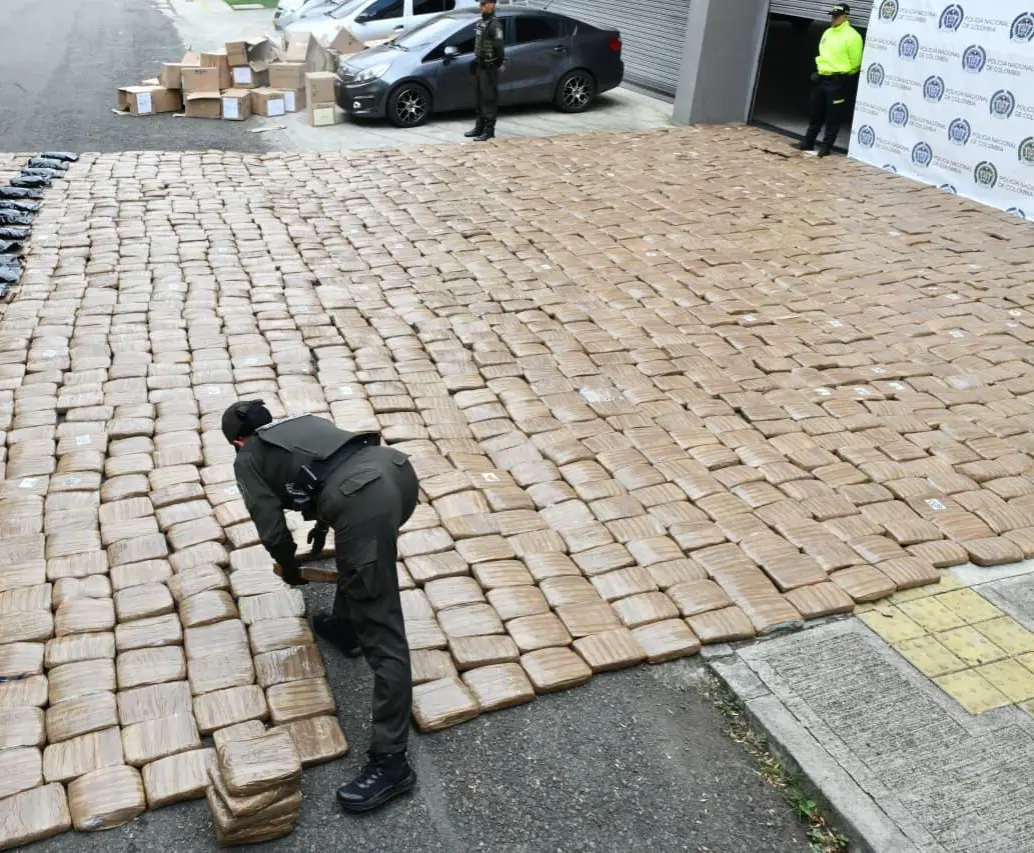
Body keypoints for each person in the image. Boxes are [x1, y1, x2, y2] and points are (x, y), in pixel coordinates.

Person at [222, 400, 420, 813]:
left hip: (364, 499)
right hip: (398, 473)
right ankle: (345, 627)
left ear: (238, 441)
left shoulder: (248, 458)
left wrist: (289, 567)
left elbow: (271, 526)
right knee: (361, 557)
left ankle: (391, 762)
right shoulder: (301, 424)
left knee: (384, 632)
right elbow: (331, 469)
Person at [798, 4, 863, 157]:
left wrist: (841, 76)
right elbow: (822, 53)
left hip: (837, 81)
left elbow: (856, 62)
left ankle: (826, 147)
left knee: (833, 116)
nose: (832, 18)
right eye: (832, 15)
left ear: (845, 16)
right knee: (816, 112)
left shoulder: (853, 36)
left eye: (836, 16)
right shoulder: (827, 32)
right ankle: (808, 141)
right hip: (822, 79)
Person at [464, 0, 505, 142]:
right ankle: (479, 127)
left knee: (489, 99)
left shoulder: (494, 24)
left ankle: (489, 131)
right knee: (479, 97)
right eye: (480, 4)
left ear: (492, 5)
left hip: (490, 65)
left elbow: (499, 47)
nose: (480, 7)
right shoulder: (482, 23)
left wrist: (499, 63)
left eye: (483, 4)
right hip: (480, 64)